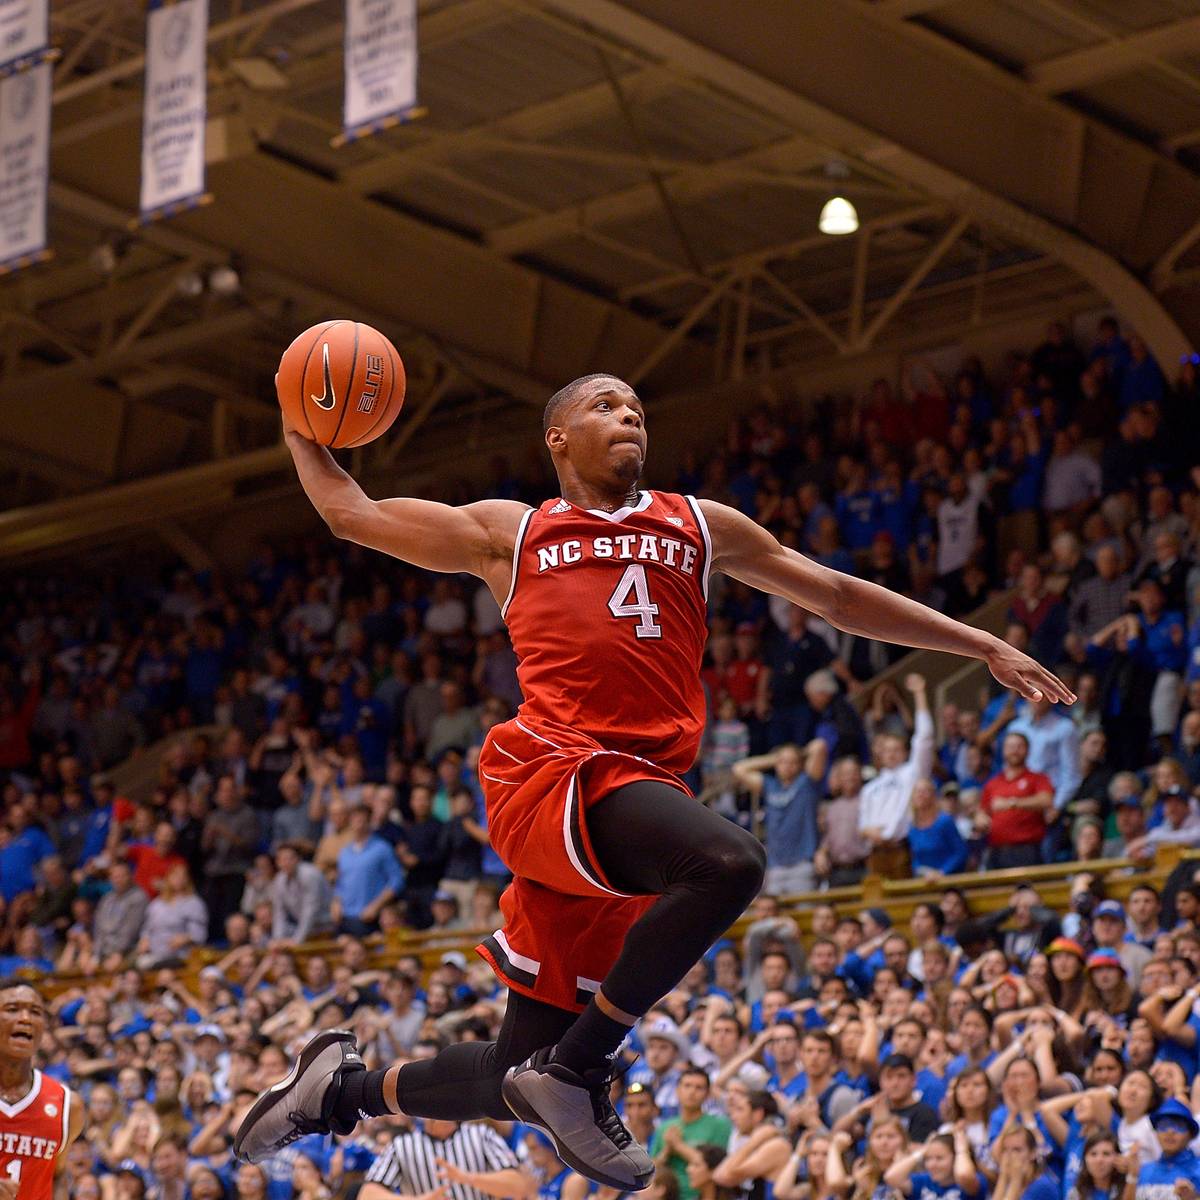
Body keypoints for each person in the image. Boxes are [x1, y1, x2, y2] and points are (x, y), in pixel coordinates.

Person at [235, 372, 1072, 1190]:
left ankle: (338, 1092)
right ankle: (583, 1068)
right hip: (556, 770)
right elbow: (353, 515)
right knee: (731, 864)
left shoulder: (700, 525)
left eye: (636, 408)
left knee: (512, 1071)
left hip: (636, 798)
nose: (629, 415)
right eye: (605, 405)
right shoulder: (515, 532)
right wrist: (299, 417)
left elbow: (840, 597)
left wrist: (982, 643)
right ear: (558, 438)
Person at [0, 979, 83, 1199]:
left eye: (35, 1012)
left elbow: (58, 1176)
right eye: (12, 1009)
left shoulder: (67, 1104)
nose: (25, 1019)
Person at [857, 674, 935, 878]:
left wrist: (919, 694)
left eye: (896, 749)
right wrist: (868, 832)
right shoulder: (869, 788)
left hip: (902, 849)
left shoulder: (912, 772)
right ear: (879, 755)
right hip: (875, 853)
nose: (891, 753)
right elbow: (863, 824)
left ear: (905, 752)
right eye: (886, 750)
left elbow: (924, 737)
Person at [732, 739, 828, 894]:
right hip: (775, 866)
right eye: (783, 762)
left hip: (802, 864)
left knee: (803, 915)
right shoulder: (770, 786)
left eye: (793, 762)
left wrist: (795, 754)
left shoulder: (806, 783)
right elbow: (739, 768)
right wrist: (776, 758)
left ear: (800, 764)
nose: (787, 766)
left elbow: (819, 746)